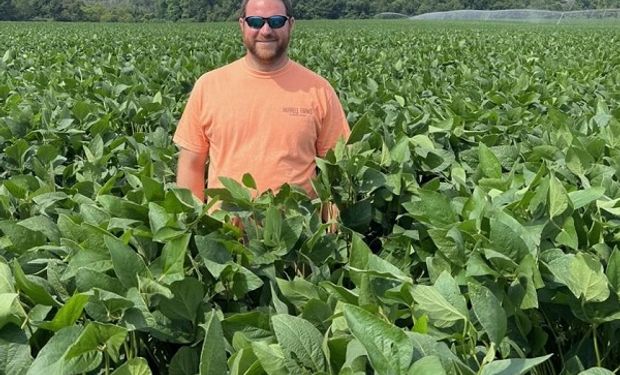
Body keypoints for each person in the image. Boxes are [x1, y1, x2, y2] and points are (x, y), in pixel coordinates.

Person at [173, 0, 350, 221]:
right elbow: (192, 165)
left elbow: (335, 172)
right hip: (224, 235)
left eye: (276, 21)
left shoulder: (319, 90)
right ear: (242, 25)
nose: (266, 31)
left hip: (298, 237)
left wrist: (332, 232)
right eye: (255, 22)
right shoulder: (209, 86)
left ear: (291, 24)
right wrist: (193, 227)